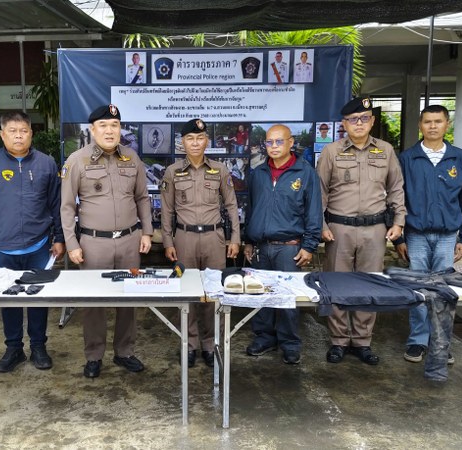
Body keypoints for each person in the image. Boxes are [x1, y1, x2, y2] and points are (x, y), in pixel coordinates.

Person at [60, 104, 153, 378]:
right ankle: (94, 356)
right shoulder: (77, 160)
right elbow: (67, 207)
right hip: (93, 243)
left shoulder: (132, 157)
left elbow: (142, 198)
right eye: (103, 126)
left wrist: (147, 232)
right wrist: (71, 243)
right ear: (93, 130)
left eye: (114, 125)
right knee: (93, 303)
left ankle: (124, 351)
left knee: (129, 299)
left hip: (129, 240)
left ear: (120, 128)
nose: (109, 131)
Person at [0, 111, 65, 373]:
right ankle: (13, 348)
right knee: (7, 299)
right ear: (2, 134)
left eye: (24, 131)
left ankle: (38, 346)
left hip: (39, 245)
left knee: (38, 298)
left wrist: (59, 237)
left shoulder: (46, 163)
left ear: (31, 133)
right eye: (12, 131)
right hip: (2, 247)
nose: (19, 136)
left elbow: (56, 204)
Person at [317, 97, 405, 366]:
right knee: (337, 284)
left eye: (364, 118)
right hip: (339, 229)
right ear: (344, 124)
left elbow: (396, 188)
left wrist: (398, 222)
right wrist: (321, 225)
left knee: (369, 285)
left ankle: (363, 341)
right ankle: (339, 340)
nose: (359, 123)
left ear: (372, 121)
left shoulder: (385, 151)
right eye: (353, 119)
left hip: (374, 229)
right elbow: (319, 192)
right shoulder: (331, 151)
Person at [394, 105, 462, 363]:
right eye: (428, 121)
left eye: (438, 121)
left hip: (447, 236)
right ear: (420, 125)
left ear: (446, 125)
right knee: (419, 290)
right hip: (416, 235)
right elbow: (396, 198)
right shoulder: (408, 158)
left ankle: (441, 343)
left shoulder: (458, 158)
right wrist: (399, 238)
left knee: (442, 291)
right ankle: (418, 341)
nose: (432, 126)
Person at [161, 118, 240, 368]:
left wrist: (235, 238)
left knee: (213, 293)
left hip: (213, 238)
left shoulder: (220, 170)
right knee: (187, 293)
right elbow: (167, 211)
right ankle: (190, 344)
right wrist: (167, 241)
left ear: (207, 141)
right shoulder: (172, 172)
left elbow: (231, 205)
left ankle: (210, 344)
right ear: (182, 143)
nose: (195, 143)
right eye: (190, 138)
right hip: (184, 238)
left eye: (199, 138)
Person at [243, 124, 322, 365]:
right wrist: (248, 240)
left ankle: (289, 343)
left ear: (290, 143)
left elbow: (314, 212)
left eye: (279, 141)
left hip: (289, 247)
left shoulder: (305, 173)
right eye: (269, 142)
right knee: (261, 295)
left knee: (287, 298)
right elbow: (251, 209)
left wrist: (309, 246)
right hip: (261, 247)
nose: (274, 146)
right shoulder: (258, 173)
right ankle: (264, 337)